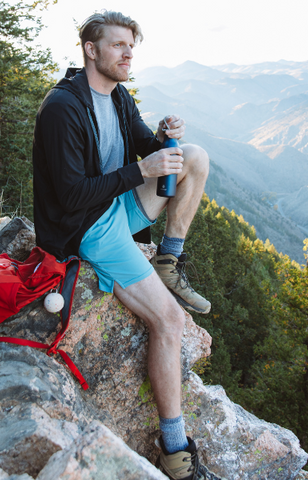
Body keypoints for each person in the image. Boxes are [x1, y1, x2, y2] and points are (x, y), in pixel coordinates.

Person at [33, 11, 218, 480]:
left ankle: (168, 260)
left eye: (131, 45)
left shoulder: (117, 96)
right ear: (91, 50)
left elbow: (143, 146)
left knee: (192, 155)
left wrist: (164, 138)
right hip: (87, 227)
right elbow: (73, 193)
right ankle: (175, 451)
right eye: (117, 45)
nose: (128, 53)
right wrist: (145, 169)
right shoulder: (62, 108)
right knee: (170, 320)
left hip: (116, 208)